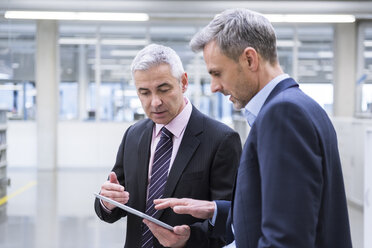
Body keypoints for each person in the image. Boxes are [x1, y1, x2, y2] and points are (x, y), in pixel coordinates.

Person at [153, 9, 352, 248]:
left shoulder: (284, 115)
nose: (214, 87)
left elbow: (286, 239)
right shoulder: (300, 105)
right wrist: (216, 210)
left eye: (217, 73)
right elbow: (286, 207)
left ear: (250, 59)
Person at [94, 43, 242, 248]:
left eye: (164, 90)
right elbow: (112, 208)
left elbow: (234, 220)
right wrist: (108, 201)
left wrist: (188, 238)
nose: (155, 102)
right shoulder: (133, 135)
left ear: (183, 82)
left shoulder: (221, 140)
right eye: (144, 93)